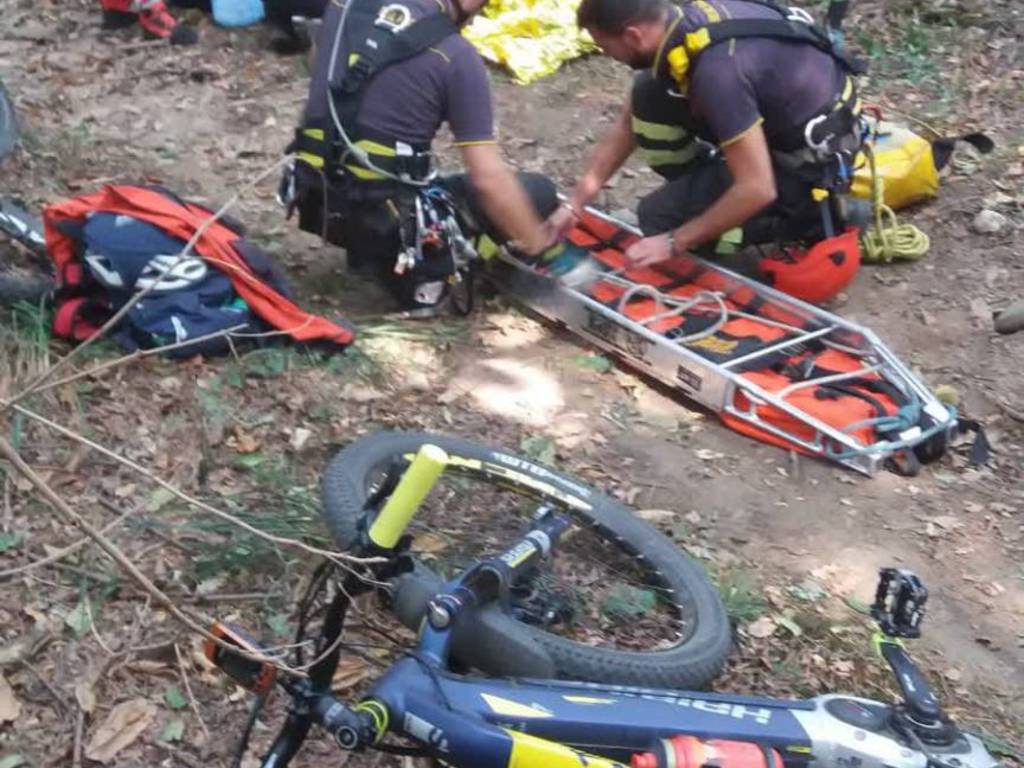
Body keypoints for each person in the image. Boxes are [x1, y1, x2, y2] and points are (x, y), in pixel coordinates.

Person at [547, 0, 865, 269]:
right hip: (787, 120)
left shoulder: (717, 74)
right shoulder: (682, 23)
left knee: (657, 219)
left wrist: (674, 241)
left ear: (632, 35)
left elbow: (758, 188)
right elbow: (628, 123)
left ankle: (807, 219)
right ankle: (705, 188)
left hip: (806, 162)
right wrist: (576, 203)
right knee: (648, 93)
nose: (608, 55)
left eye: (606, 47)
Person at [287, 0, 557, 311]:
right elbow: (489, 181)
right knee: (539, 193)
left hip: (317, 202)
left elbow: (323, 77)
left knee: (372, 162)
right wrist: (541, 247)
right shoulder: (454, 54)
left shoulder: (343, 7)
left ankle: (366, 250)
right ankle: (424, 271)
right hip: (388, 224)